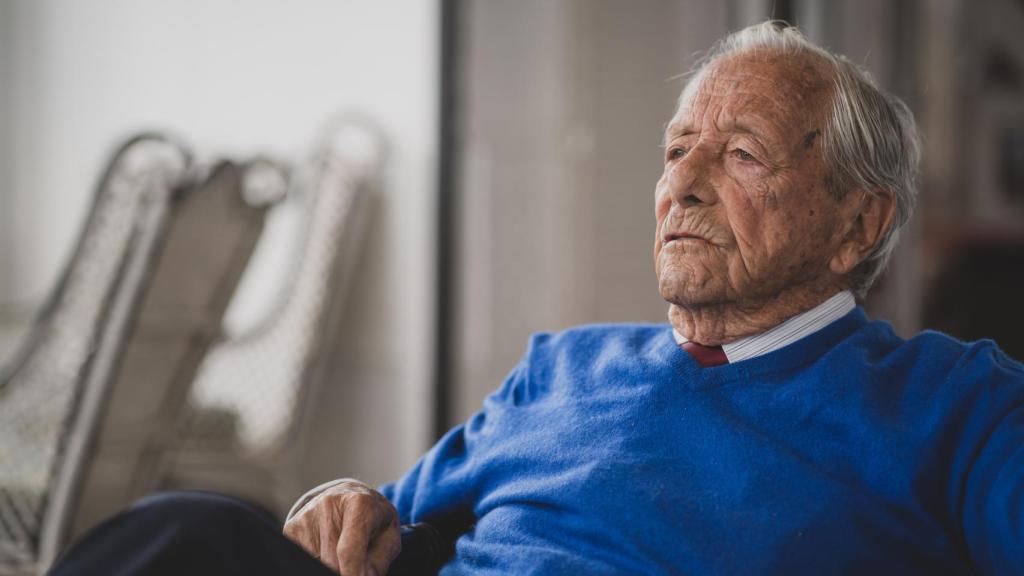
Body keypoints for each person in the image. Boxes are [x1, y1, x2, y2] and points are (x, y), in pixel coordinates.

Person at [50, 20, 1023, 576]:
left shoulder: (954, 405)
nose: (680, 186)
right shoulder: (563, 366)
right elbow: (377, 517)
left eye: (738, 156)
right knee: (195, 528)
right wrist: (336, 501)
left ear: (857, 224)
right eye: (675, 150)